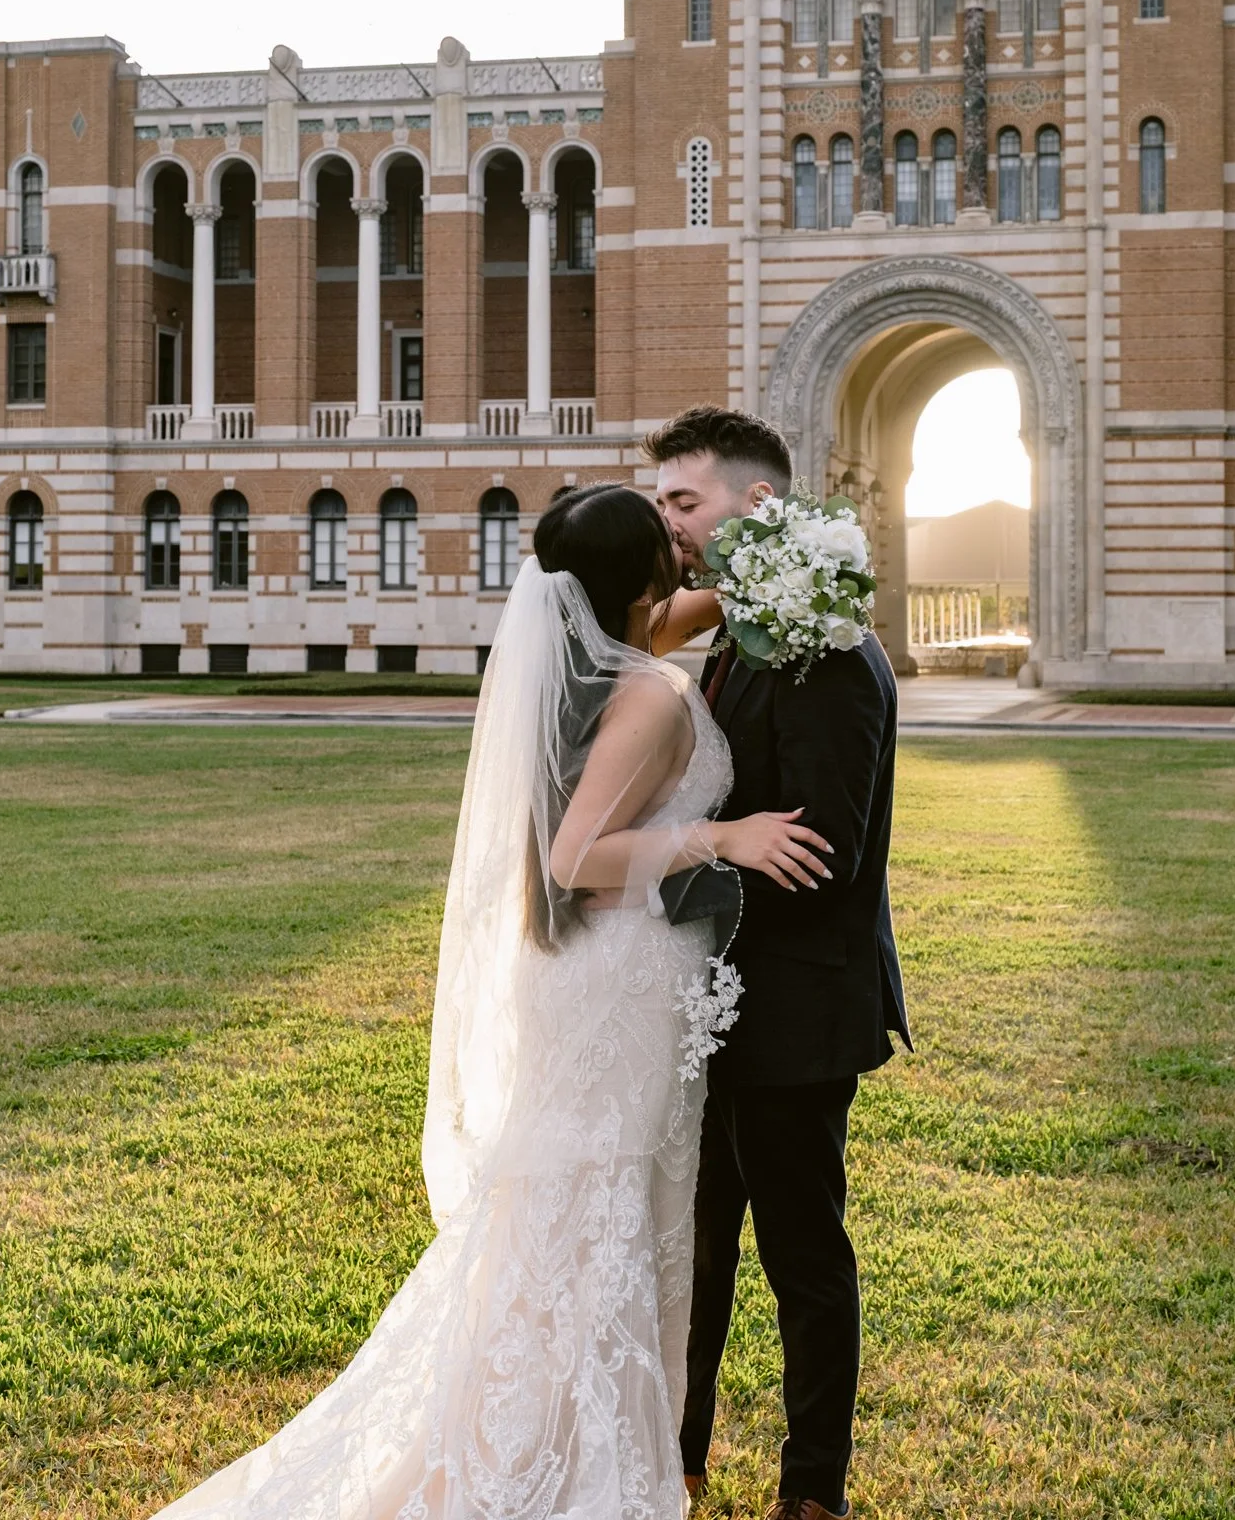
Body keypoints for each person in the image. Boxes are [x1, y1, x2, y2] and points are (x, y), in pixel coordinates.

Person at [152, 481, 829, 1520]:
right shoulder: (645, 691)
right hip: (613, 983)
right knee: (592, 1208)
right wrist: (721, 838)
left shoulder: (613, 651)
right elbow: (573, 858)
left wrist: (788, 545)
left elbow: (698, 606)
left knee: (585, 1207)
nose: (683, 544)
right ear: (639, 573)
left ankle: (560, 1425)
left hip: (604, 980)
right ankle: (546, 1449)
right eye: (668, 532)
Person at [647, 407, 912, 1520]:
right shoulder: (740, 629)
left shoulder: (829, 650)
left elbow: (823, 854)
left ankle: (812, 1493)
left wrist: (664, 874)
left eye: (683, 500)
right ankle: (679, 1455)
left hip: (797, 1015)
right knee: (694, 1249)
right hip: (714, 1007)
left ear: (754, 506)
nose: (667, 520)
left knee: (802, 1259)